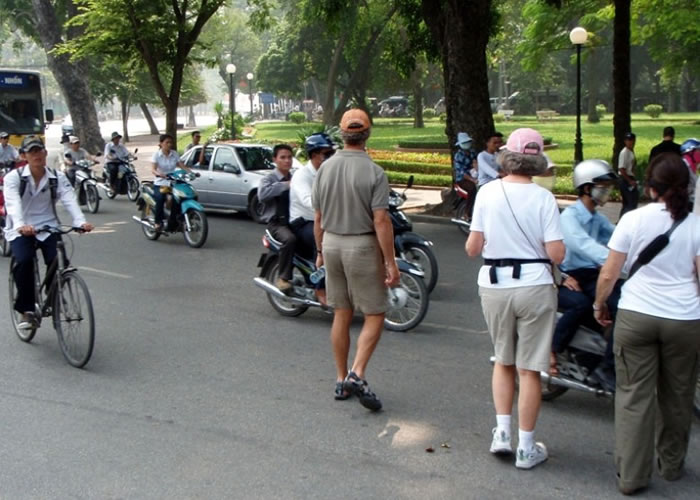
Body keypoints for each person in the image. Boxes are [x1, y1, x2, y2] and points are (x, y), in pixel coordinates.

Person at [593, 153, 700, 496]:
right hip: (684, 320)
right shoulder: (696, 225)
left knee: (634, 397)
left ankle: (632, 477)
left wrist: (599, 305)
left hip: (637, 316)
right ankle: (670, 465)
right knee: (678, 395)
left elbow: (610, 272)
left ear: (651, 186)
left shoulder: (633, 220)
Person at [466, 127, 565, 470]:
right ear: (537, 160)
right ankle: (526, 448)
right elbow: (557, 253)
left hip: (494, 285)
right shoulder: (543, 198)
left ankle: (501, 434)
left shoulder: (488, 193)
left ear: (507, 155)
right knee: (530, 370)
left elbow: (473, 248)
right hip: (535, 286)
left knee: (503, 360)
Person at [312, 108, 399, 410]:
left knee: (341, 313)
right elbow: (381, 221)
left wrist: (320, 252)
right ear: (368, 133)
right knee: (375, 313)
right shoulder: (375, 172)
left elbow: (318, 217)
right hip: (361, 245)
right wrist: (390, 261)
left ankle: (339, 379)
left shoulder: (324, 168)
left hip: (332, 243)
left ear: (342, 133)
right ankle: (357, 372)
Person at [2, 135, 94, 329]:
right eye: (32, 152)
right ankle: (26, 311)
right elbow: (13, 204)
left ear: (45, 153)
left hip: (48, 226)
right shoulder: (13, 178)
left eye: (40, 151)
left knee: (59, 261)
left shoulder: (56, 177)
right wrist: (20, 225)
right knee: (25, 261)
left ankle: (54, 299)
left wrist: (80, 221)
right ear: (24, 156)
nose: (37, 155)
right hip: (21, 228)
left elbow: (69, 198)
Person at [553, 159, 620, 392]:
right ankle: (605, 368)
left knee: (624, 303)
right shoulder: (570, 218)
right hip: (571, 276)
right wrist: (615, 260)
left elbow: (618, 238)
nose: (607, 191)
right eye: (602, 186)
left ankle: (600, 357)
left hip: (593, 275)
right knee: (585, 305)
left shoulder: (597, 219)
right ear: (586, 188)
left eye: (608, 186)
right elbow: (585, 246)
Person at [289, 133, 336, 304]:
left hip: (325, 220)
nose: (330, 157)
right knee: (328, 246)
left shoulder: (329, 172)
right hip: (303, 223)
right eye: (326, 154)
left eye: (331, 153)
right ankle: (320, 288)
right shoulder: (302, 175)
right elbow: (309, 201)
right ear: (314, 155)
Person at [258, 144, 296, 294]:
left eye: (289, 157)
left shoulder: (296, 177)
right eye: (283, 157)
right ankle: (283, 277)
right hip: (276, 223)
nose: (287, 161)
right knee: (290, 239)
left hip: (294, 220)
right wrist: (286, 185)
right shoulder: (268, 178)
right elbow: (262, 195)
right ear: (275, 159)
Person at [151, 133, 187, 232]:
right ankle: (157, 222)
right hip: (160, 182)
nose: (169, 144)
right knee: (161, 198)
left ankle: (173, 221)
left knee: (179, 198)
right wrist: (159, 174)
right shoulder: (156, 155)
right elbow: (153, 169)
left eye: (171, 142)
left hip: (173, 182)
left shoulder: (174, 153)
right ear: (161, 143)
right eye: (167, 142)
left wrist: (192, 173)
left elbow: (181, 165)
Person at [618, 132, 639, 217]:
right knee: (630, 203)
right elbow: (621, 169)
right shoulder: (624, 152)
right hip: (625, 179)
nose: (630, 142)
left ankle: (622, 221)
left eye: (631, 140)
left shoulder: (631, 151)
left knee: (628, 203)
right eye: (628, 140)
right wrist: (629, 181)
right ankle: (624, 221)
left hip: (629, 177)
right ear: (625, 141)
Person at [680, 138, 698, 210]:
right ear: (690, 152)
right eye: (698, 150)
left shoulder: (693, 166)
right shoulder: (683, 167)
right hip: (687, 205)